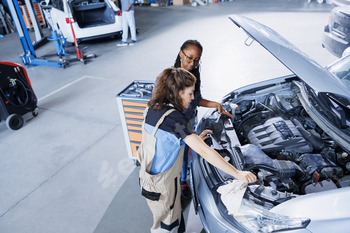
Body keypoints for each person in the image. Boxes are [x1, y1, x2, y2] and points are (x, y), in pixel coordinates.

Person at [137, 67, 256, 233]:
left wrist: (195, 139)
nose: (193, 98)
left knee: (174, 217)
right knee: (167, 225)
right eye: (190, 93)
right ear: (178, 92)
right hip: (162, 184)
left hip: (154, 177)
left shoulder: (154, 107)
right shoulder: (174, 118)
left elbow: (166, 142)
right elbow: (205, 152)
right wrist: (237, 173)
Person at [173, 39, 234, 199]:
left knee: (187, 152)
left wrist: (216, 104)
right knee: (178, 152)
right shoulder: (171, 80)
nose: (192, 63)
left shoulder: (193, 74)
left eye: (197, 60)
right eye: (189, 58)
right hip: (177, 125)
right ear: (181, 53)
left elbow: (196, 100)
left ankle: (184, 179)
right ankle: (178, 182)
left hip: (191, 121)